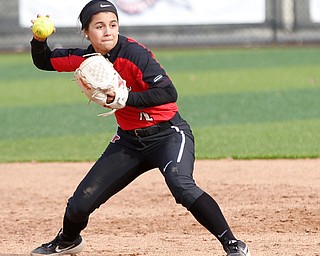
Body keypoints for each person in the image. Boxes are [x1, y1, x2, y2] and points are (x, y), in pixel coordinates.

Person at [30, 1, 250, 255]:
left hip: (168, 134)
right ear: (86, 32)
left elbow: (168, 92)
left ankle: (232, 243)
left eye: (113, 25)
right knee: (80, 203)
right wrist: (38, 39)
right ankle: (68, 240)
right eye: (99, 26)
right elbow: (44, 61)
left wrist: (127, 98)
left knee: (182, 186)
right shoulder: (86, 60)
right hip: (129, 142)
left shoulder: (135, 54)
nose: (108, 31)